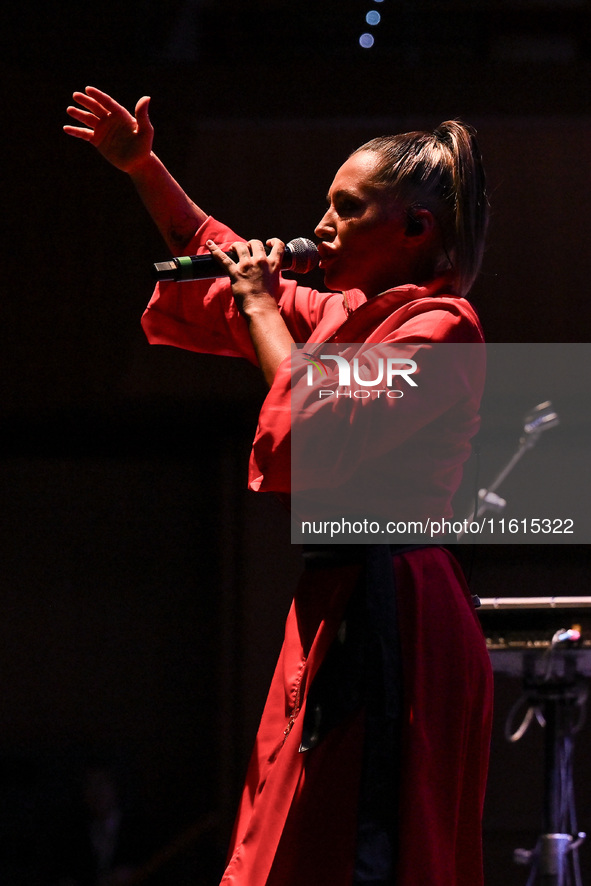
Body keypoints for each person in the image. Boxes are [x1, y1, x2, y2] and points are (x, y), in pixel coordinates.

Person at [64, 87, 494, 886]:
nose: (321, 223)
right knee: (287, 833)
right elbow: (213, 245)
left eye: (346, 207)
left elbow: (314, 429)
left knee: (364, 842)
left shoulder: (442, 329)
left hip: (396, 605)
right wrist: (143, 167)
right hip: (338, 599)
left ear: (412, 229)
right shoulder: (339, 316)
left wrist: (261, 303)